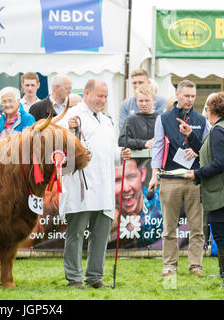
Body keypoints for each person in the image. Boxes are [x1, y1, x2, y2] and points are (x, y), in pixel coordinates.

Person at [56, 79, 131, 289]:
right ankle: (74, 278)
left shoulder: (106, 120)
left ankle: (95, 276)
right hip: (81, 185)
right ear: (87, 94)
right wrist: (69, 130)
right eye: (100, 96)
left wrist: (120, 153)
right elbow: (59, 141)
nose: (103, 100)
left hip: (104, 185)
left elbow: (109, 151)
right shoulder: (72, 115)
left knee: (101, 234)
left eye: (106, 97)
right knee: (76, 232)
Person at [179, 93, 224, 290]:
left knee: (223, 235)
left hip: (223, 193)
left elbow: (221, 162)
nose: (205, 112)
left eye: (207, 109)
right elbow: (209, 153)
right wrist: (191, 136)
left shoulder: (219, 130)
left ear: (213, 110)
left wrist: (196, 173)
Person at [148, 80, 210, 277]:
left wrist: (198, 153)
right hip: (170, 178)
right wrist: (154, 174)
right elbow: (157, 146)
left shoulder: (202, 120)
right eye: (186, 96)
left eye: (193, 96)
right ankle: (170, 265)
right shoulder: (163, 118)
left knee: (196, 227)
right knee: (169, 227)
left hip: (194, 179)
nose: (190, 100)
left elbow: (209, 148)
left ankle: (195, 266)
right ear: (177, 95)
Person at [110, 159, 162, 249]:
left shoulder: (160, 203)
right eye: (117, 180)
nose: (126, 188)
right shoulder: (106, 207)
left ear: (143, 173)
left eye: (131, 177)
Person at [118, 84, 158, 150]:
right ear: (136, 101)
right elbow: (122, 141)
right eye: (141, 101)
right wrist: (144, 143)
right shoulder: (131, 119)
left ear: (154, 100)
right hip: (137, 159)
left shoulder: (160, 119)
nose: (144, 104)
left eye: (147, 100)